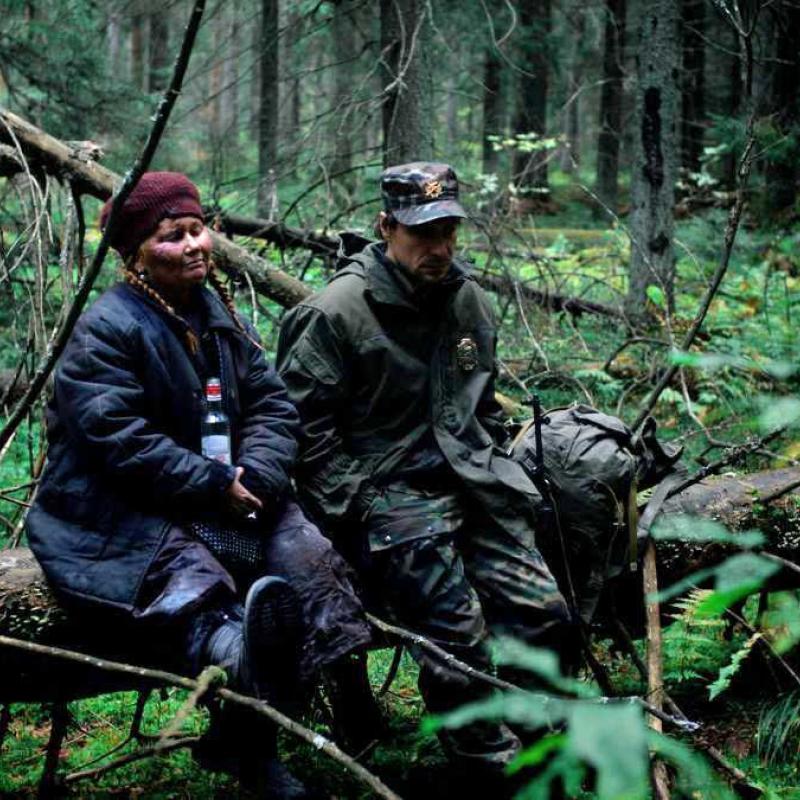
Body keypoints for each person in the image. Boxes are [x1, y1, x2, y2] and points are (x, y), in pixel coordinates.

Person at [25, 172, 372, 799]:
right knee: (200, 595)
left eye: (197, 229)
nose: (193, 245)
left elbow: (272, 405)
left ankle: (262, 731)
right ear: (135, 256)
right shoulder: (106, 329)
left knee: (311, 563)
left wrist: (259, 475)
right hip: (115, 512)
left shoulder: (217, 315)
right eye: (171, 237)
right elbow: (117, 436)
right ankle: (252, 739)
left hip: (228, 496)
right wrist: (212, 483)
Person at [276, 162, 574, 784]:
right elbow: (302, 434)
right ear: (386, 227)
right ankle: (485, 766)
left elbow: (479, 404)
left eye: (449, 232)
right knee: (456, 633)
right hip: (387, 496)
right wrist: (358, 506)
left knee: (542, 609)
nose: (440, 248)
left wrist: (495, 462)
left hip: (466, 483)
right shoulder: (335, 313)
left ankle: (540, 739)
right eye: (423, 233)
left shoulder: (467, 300)